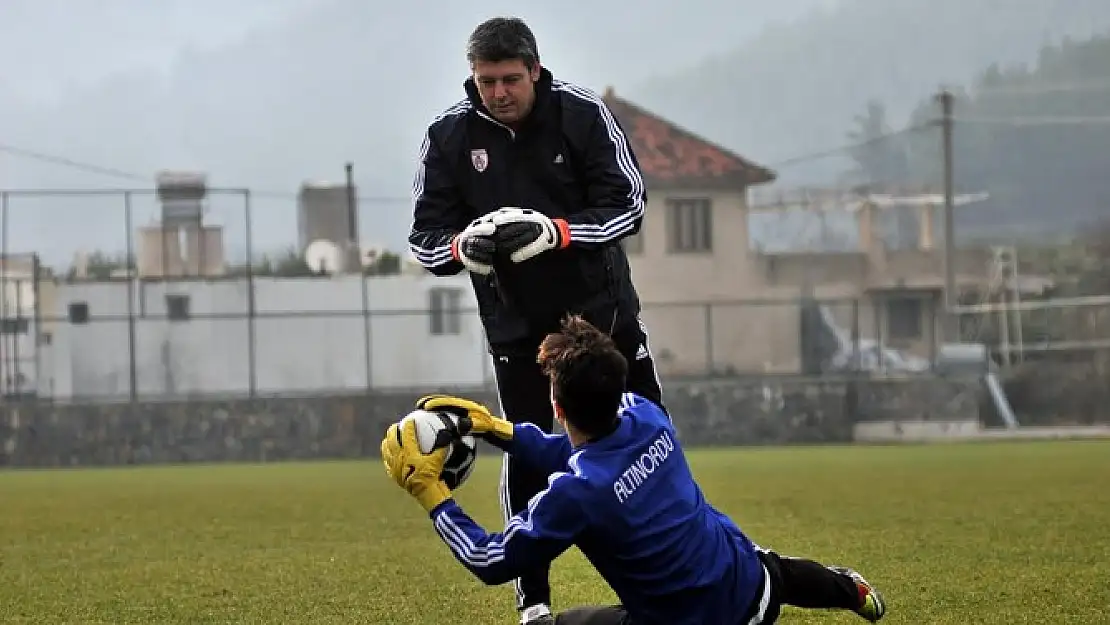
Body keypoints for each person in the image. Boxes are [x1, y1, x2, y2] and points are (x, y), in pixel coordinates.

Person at [406, 15, 666, 624]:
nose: (497, 93)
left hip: (603, 323)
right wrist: (460, 248)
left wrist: (559, 232)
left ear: (535, 70)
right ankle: (534, 601)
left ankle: (679, 566)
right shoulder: (448, 135)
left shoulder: (581, 115)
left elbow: (628, 204)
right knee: (527, 454)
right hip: (519, 333)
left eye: (510, 80)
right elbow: (424, 236)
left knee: (651, 439)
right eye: (485, 81)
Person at [381, 315, 888, 625]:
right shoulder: (644, 414)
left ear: (556, 407)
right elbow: (582, 456)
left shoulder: (577, 494)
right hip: (747, 589)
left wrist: (430, 491)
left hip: (681, 622)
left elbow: (491, 559)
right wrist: (493, 427)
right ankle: (854, 592)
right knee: (781, 573)